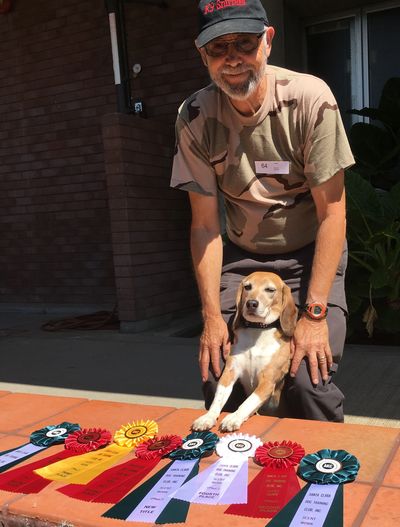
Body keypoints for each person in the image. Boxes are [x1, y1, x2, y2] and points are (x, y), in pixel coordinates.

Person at [170, 0, 355, 422]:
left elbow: (333, 214)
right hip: (244, 259)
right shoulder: (194, 117)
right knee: (218, 368)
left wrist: (314, 313)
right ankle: (232, 478)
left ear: (267, 42)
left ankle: (318, 480)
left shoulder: (310, 99)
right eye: (218, 48)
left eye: (245, 43)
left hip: (310, 251)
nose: (232, 58)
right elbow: (203, 225)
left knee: (309, 375)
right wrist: (212, 316)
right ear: (203, 56)